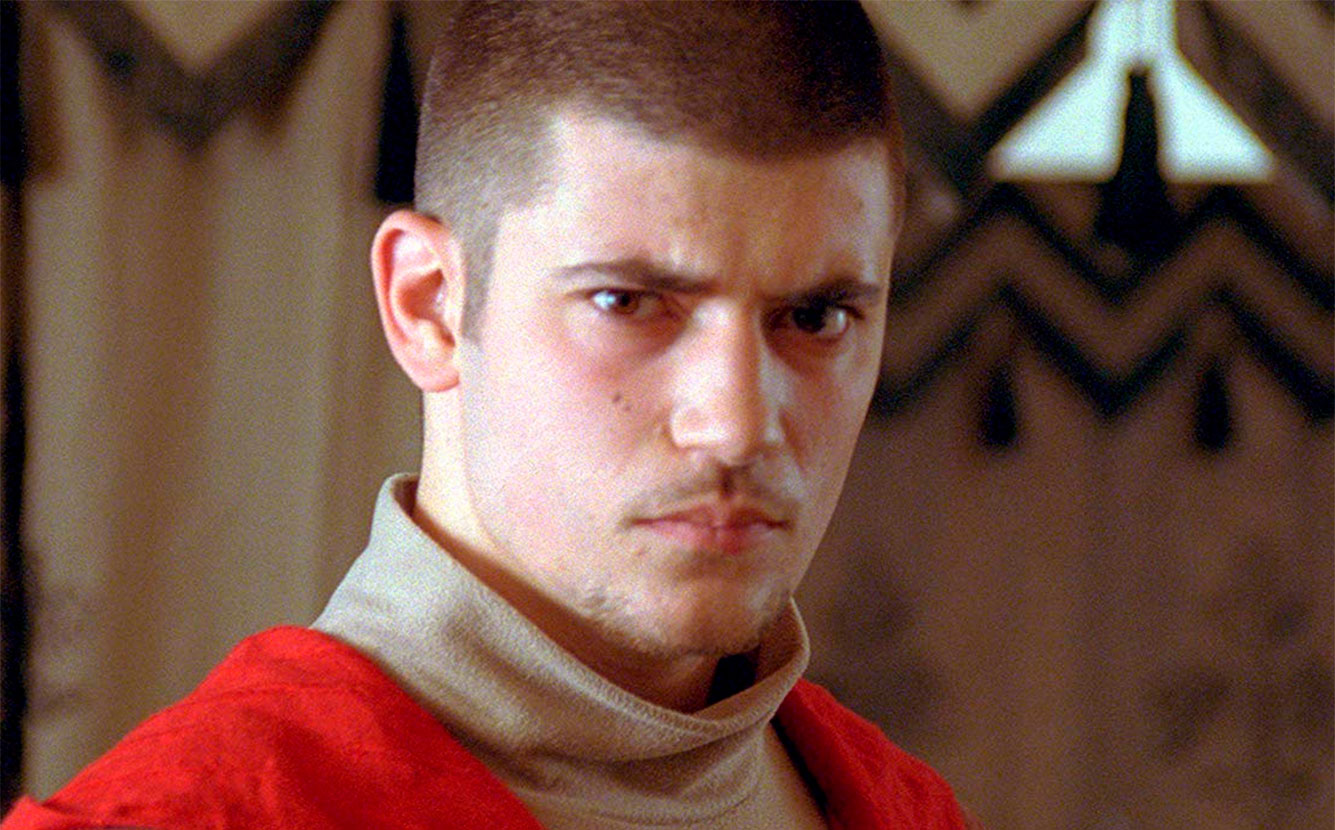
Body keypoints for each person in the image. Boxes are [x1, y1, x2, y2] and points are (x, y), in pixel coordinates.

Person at [4, 3, 978, 828]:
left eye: (816, 317)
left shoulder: (907, 809)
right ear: (428, 304)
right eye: (628, 302)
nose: (736, 425)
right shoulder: (191, 814)